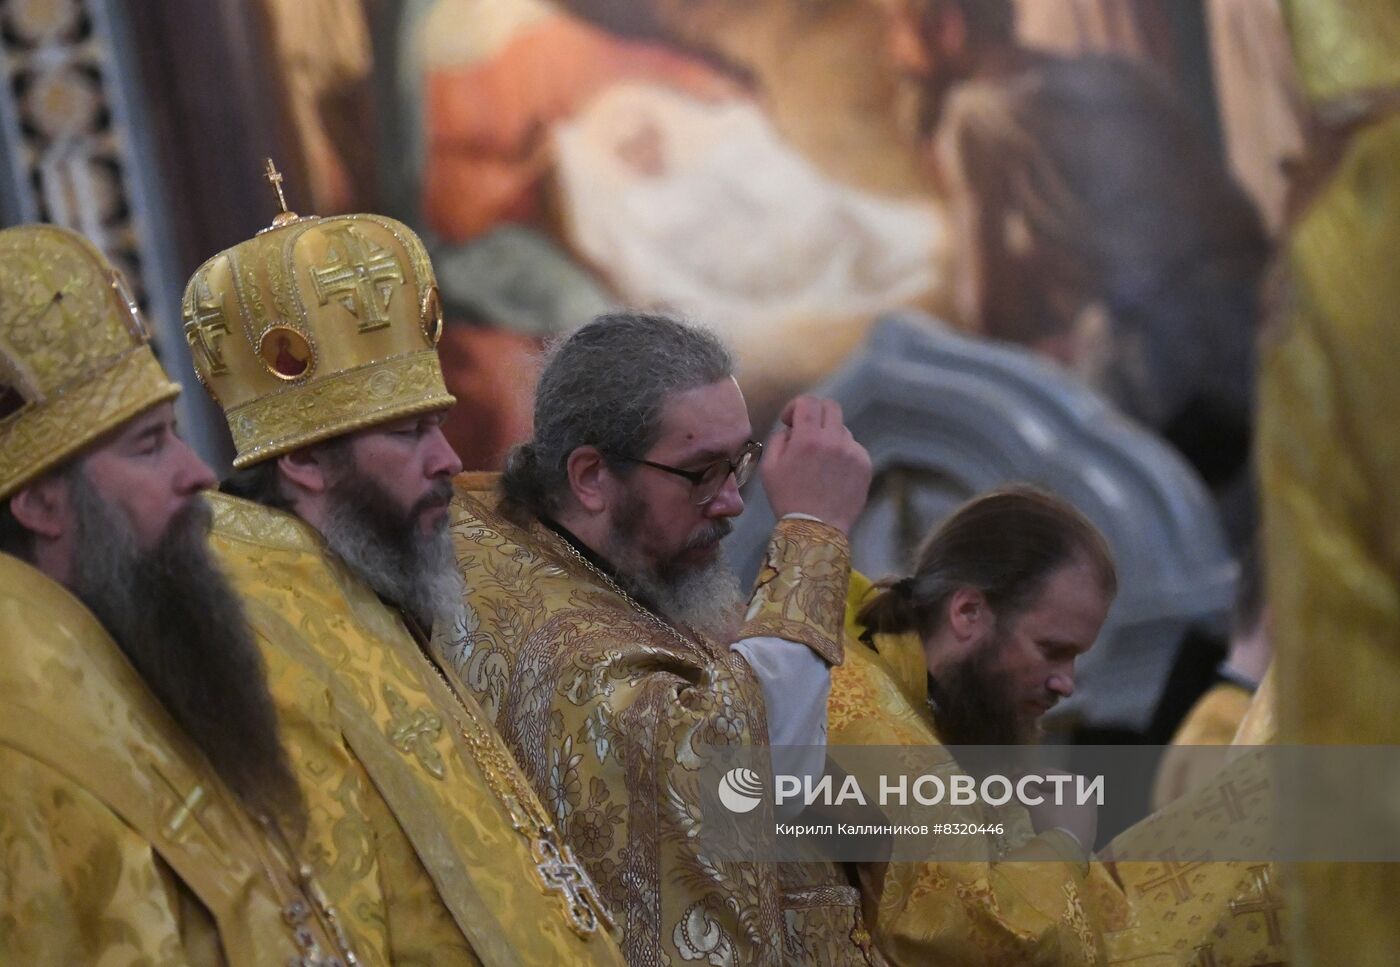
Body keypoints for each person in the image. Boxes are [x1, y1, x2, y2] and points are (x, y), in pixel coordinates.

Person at [181, 193, 625, 965]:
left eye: (438, 423)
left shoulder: (375, 577)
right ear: (304, 458)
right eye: (408, 432)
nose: (448, 459)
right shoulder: (256, 618)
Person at [444, 312, 879, 963]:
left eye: (740, 462)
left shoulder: (549, 541)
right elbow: (741, 785)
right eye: (700, 472)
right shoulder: (568, 650)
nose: (732, 500)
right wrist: (813, 531)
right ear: (590, 476)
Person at [0, 224, 357, 965]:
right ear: (41, 505)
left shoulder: (131, 647)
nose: (198, 471)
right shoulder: (26, 730)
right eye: (149, 444)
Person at [883, 0, 1269, 551]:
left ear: (948, 25)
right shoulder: (1116, 73)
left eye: (897, 27)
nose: (892, 51)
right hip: (1243, 333)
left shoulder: (979, 114)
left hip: (1149, 372)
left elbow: (991, 313)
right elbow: (1234, 221)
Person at [829, 486, 1122, 964]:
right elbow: (973, 932)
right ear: (968, 611)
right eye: (1052, 650)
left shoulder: (954, 711)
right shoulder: (864, 708)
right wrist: (1066, 840)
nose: (1065, 683)